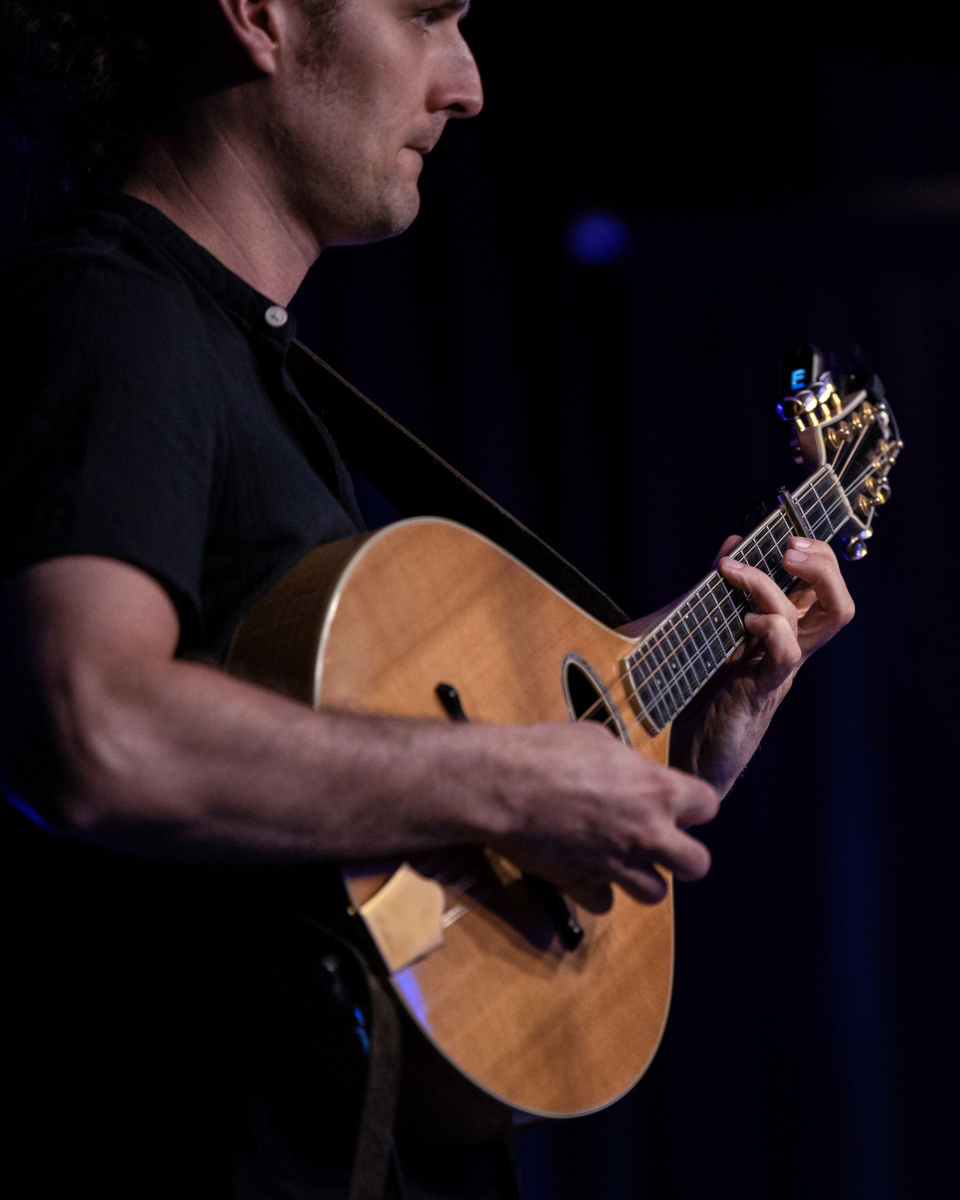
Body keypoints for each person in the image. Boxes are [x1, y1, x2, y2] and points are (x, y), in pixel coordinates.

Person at [0, 2, 856, 1197]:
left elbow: (358, 892)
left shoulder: (250, 375)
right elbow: (92, 727)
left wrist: (659, 761)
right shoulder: (118, 313)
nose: (467, 86)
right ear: (261, 16)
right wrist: (509, 779)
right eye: (425, 17)